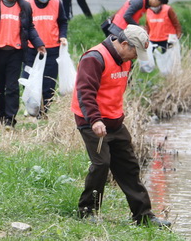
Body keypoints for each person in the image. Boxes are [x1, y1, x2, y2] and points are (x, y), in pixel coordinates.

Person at [71, 25, 170, 227]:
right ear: (124, 43)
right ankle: (87, 210)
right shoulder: (94, 58)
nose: (134, 57)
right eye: (134, 52)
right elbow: (85, 92)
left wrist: (115, 117)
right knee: (101, 163)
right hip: (92, 120)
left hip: (114, 120)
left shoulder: (125, 59)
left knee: (129, 166)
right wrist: (95, 120)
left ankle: (143, 216)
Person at [21, 0, 67, 114]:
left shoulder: (57, 3)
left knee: (48, 82)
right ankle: (32, 107)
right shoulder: (27, 4)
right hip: (31, 49)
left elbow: (63, 22)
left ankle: (44, 110)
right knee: (28, 80)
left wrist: (62, 36)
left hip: (52, 48)